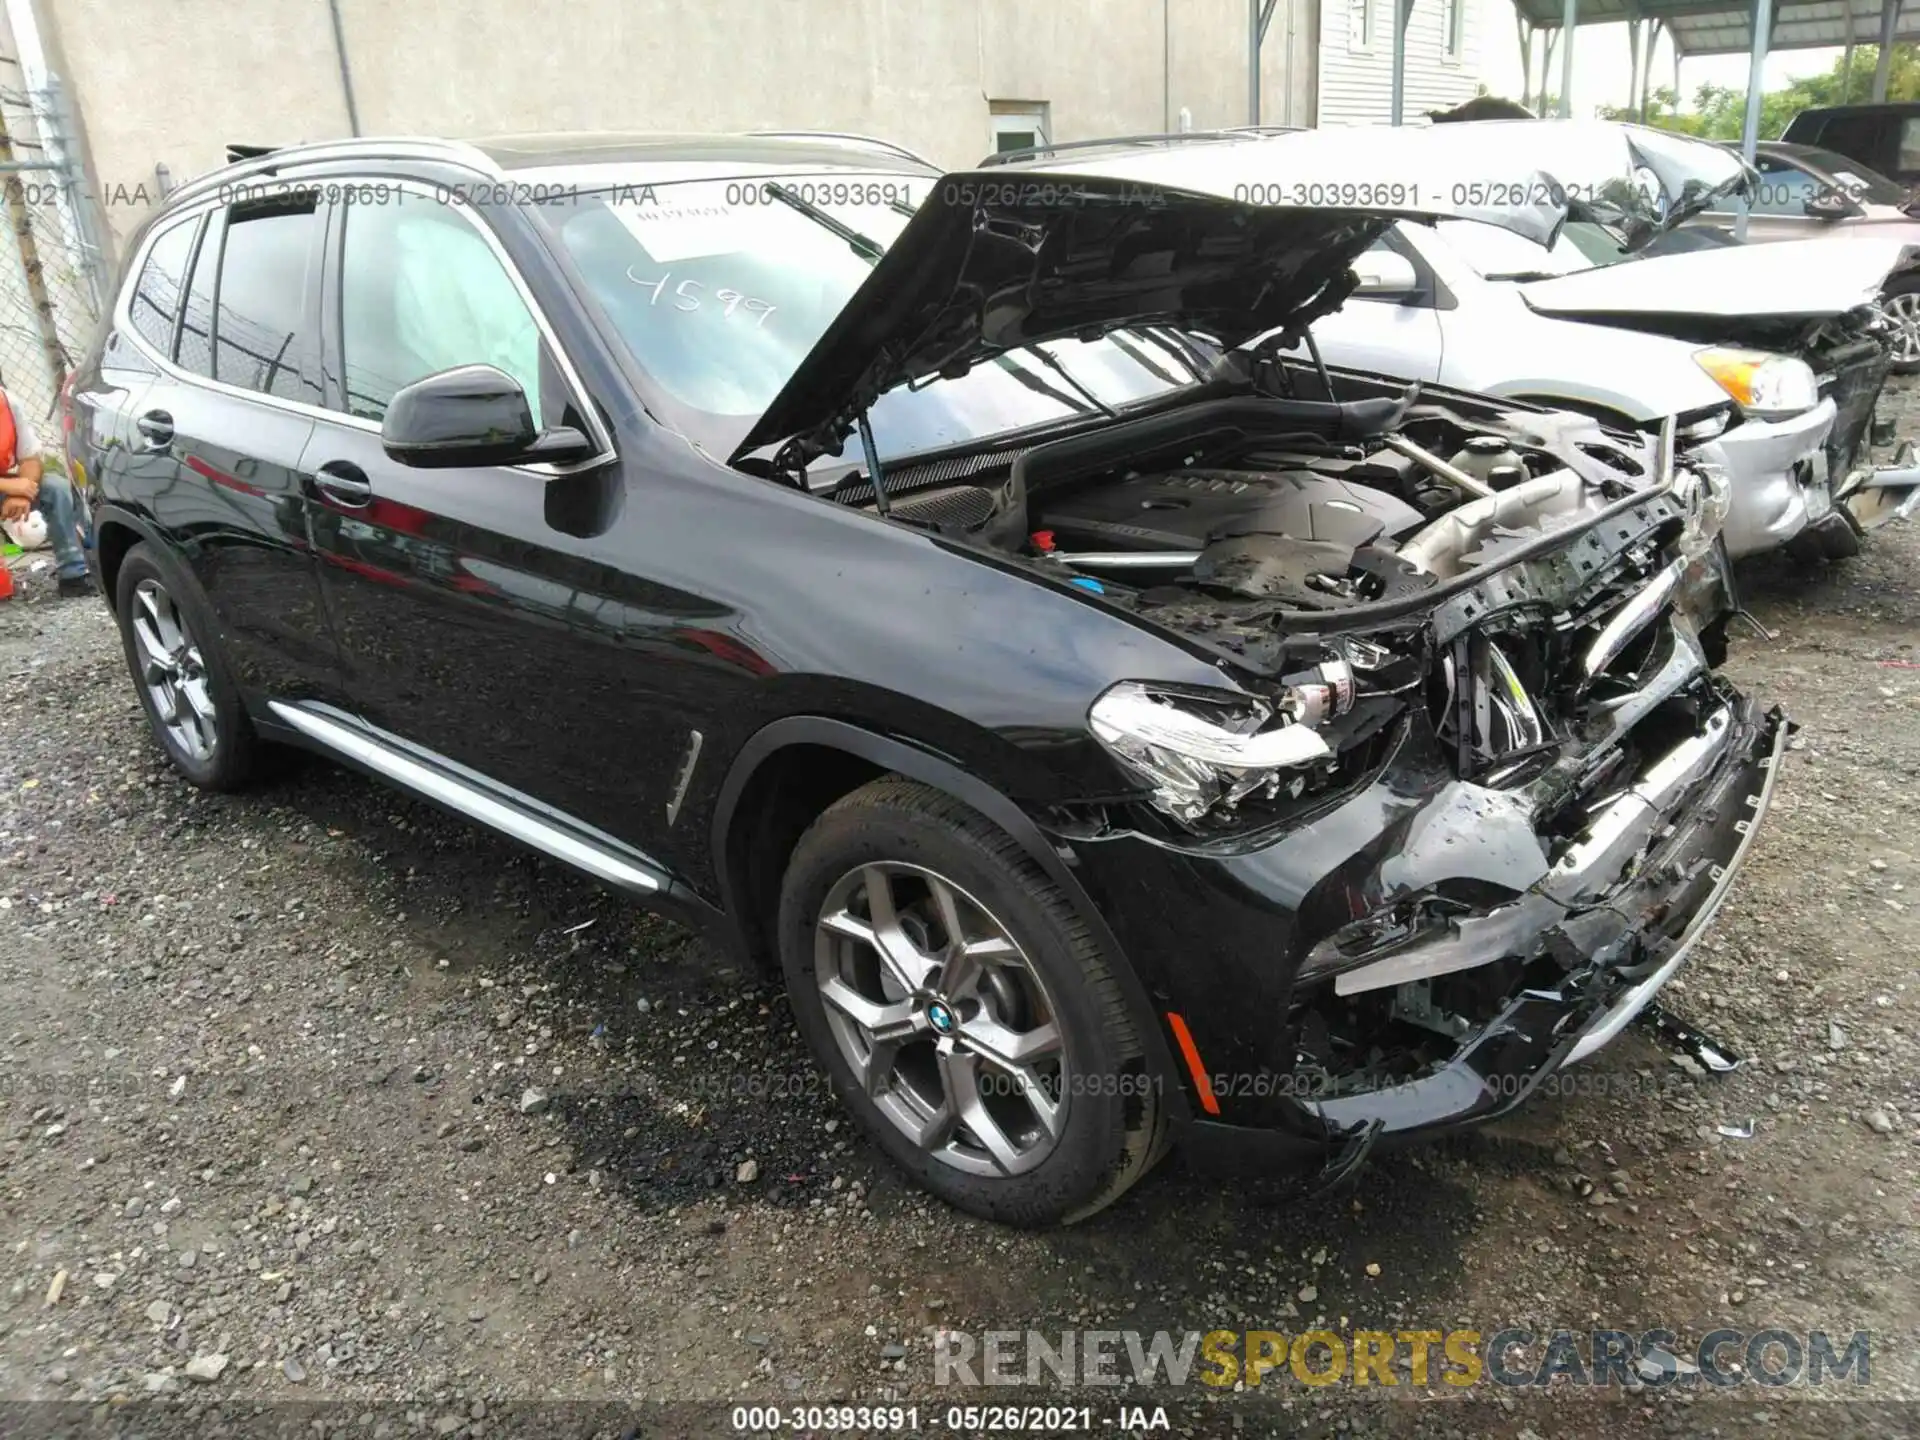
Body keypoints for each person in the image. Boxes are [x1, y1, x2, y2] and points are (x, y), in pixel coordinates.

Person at [0, 382, 91, 597]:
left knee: (56, 488)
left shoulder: (8, 403)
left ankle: (74, 574)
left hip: (7, 485)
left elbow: (31, 457)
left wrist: (21, 493)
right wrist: (11, 486)